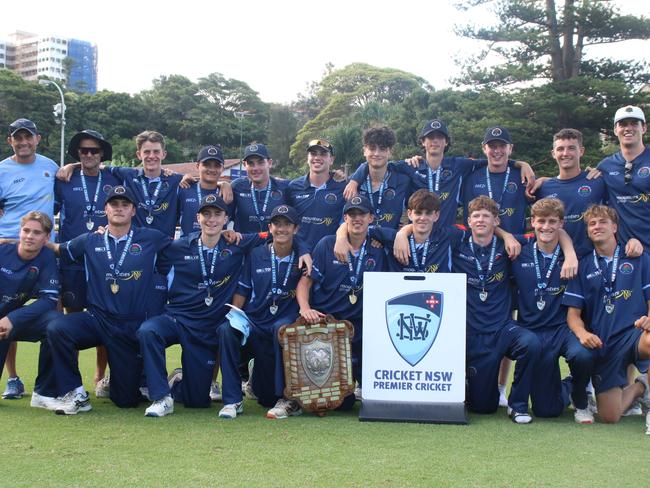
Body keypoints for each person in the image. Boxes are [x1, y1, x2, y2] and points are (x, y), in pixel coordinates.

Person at [137, 195, 268, 417]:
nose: (212, 219)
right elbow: (146, 250)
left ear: (226, 218)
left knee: (197, 401)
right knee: (148, 330)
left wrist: (307, 247)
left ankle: (179, 381)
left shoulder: (237, 244)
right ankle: (162, 397)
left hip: (209, 326)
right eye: (206, 214)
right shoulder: (178, 246)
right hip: (178, 319)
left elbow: (276, 234)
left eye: (217, 214)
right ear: (198, 218)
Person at [46, 186, 172, 414]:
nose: (119, 209)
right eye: (114, 205)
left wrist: (224, 234)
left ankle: (153, 381)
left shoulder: (151, 238)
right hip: (98, 319)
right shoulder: (89, 240)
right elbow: (57, 249)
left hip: (131, 325)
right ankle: (76, 394)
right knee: (58, 327)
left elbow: (184, 247)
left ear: (133, 211)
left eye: (125, 205)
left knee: (125, 400)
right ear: (105, 209)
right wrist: (16, 242)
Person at [453, 195, 541, 423]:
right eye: (476, 216)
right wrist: (403, 233)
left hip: (502, 329)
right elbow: (421, 227)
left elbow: (550, 233)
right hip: (472, 334)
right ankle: (471, 384)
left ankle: (518, 405)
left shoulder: (509, 245)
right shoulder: (456, 243)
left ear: (496, 221)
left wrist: (570, 253)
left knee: (530, 343)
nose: (481, 220)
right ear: (469, 221)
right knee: (483, 408)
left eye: (486, 216)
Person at [563, 204, 650, 430]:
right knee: (609, 416)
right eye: (592, 224)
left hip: (634, 334)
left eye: (602, 222)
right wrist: (582, 334)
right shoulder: (582, 266)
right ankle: (641, 387)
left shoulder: (639, 258)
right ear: (588, 231)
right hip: (605, 344)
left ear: (614, 227)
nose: (597, 226)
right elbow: (573, 315)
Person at [510, 198, 595, 423]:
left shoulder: (574, 255)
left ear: (561, 224)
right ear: (532, 222)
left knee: (583, 354)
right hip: (532, 331)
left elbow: (605, 242)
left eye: (552, 221)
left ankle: (581, 398)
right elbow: (490, 230)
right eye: (541, 221)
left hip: (562, 329)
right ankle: (564, 386)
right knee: (548, 411)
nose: (546, 226)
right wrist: (506, 235)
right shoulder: (519, 250)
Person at [297, 195, 386, 401]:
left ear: (371, 218)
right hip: (329, 323)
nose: (357, 219)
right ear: (345, 218)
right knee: (343, 403)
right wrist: (304, 308)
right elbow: (305, 282)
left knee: (368, 396)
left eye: (362, 214)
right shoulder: (327, 244)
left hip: (362, 325)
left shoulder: (379, 247)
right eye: (352, 214)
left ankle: (362, 381)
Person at [55, 130, 121, 397]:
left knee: (105, 316)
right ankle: (72, 380)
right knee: (73, 321)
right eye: (84, 151)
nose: (89, 155)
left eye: (94, 150)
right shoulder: (64, 179)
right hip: (72, 261)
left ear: (102, 153)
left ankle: (100, 377)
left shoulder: (115, 177)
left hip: (106, 262)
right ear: (77, 154)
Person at [0, 118, 58, 399]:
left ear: (38, 138)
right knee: (6, 309)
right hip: (10, 249)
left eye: (28, 137)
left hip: (45, 250)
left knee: (53, 311)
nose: (23, 142)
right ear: (10, 140)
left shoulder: (51, 167)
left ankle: (52, 381)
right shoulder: (2, 170)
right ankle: (13, 377)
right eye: (17, 137)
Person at [229, 205, 303, 419]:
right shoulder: (256, 254)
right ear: (269, 228)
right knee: (263, 398)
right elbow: (243, 288)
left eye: (287, 225)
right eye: (277, 224)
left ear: (295, 229)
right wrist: (234, 314)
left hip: (285, 320)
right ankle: (235, 394)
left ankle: (287, 398)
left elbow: (307, 284)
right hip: (257, 319)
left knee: (281, 329)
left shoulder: (303, 256)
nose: (281, 229)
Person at [0, 211, 60, 410]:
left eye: (36, 232)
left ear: (46, 238)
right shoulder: (2, 251)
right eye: (26, 231)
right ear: (19, 232)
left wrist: (12, 318)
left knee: (56, 324)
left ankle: (43, 393)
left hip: (9, 322)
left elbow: (49, 299)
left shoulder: (47, 257)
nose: (29, 236)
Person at [534, 129, 606, 258]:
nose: (565, 153)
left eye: (571, 148)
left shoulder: (596, 181)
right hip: (555, 262)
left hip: (591, 260)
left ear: (581, 151)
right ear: (553, 153)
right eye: (560, 149)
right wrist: (523, 165)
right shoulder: (543, 187)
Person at [344, 126, 427, 230]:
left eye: (382, 149)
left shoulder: (404, 181)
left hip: (392, 242)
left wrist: (407, 229)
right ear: (364, 151)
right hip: (361, 242)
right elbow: (345, 221)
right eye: (372, 148)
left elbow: (416, 210)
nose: (377, 153)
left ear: (390, 151)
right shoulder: (352, 184)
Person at [596, 105, 650, 251]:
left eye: (634, 123)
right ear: (615, 130)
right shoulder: (605, 166)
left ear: (644, 128)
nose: (628, 128)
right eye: (623, 124)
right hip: (624, 251)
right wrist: (545, 180)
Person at [286, 139, 347, 249]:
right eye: (313, 154)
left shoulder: (343, 187)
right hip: (299, 254)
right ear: (307, 158)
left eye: (323, 154)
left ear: (331, 160)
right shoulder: (293, 187)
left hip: (329, 254)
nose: (317, 158)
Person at [231, 143, 289, 233]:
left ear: (269, 163)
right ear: (244, 164)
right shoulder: (236, 187)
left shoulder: (285, 187)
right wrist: (223, 184)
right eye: (251, 163)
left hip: (274, 245)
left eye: (260, 162)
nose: (255, 168)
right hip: (244, 245)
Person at [178, 145, 226, 237]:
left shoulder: (227, 193)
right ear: (197, 166)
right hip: (187, 248)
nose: (212, 169)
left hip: (216, 249)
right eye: (207, 165)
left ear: (222, 168)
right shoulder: (184, 188)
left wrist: (226, 184)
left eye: (217, 165)